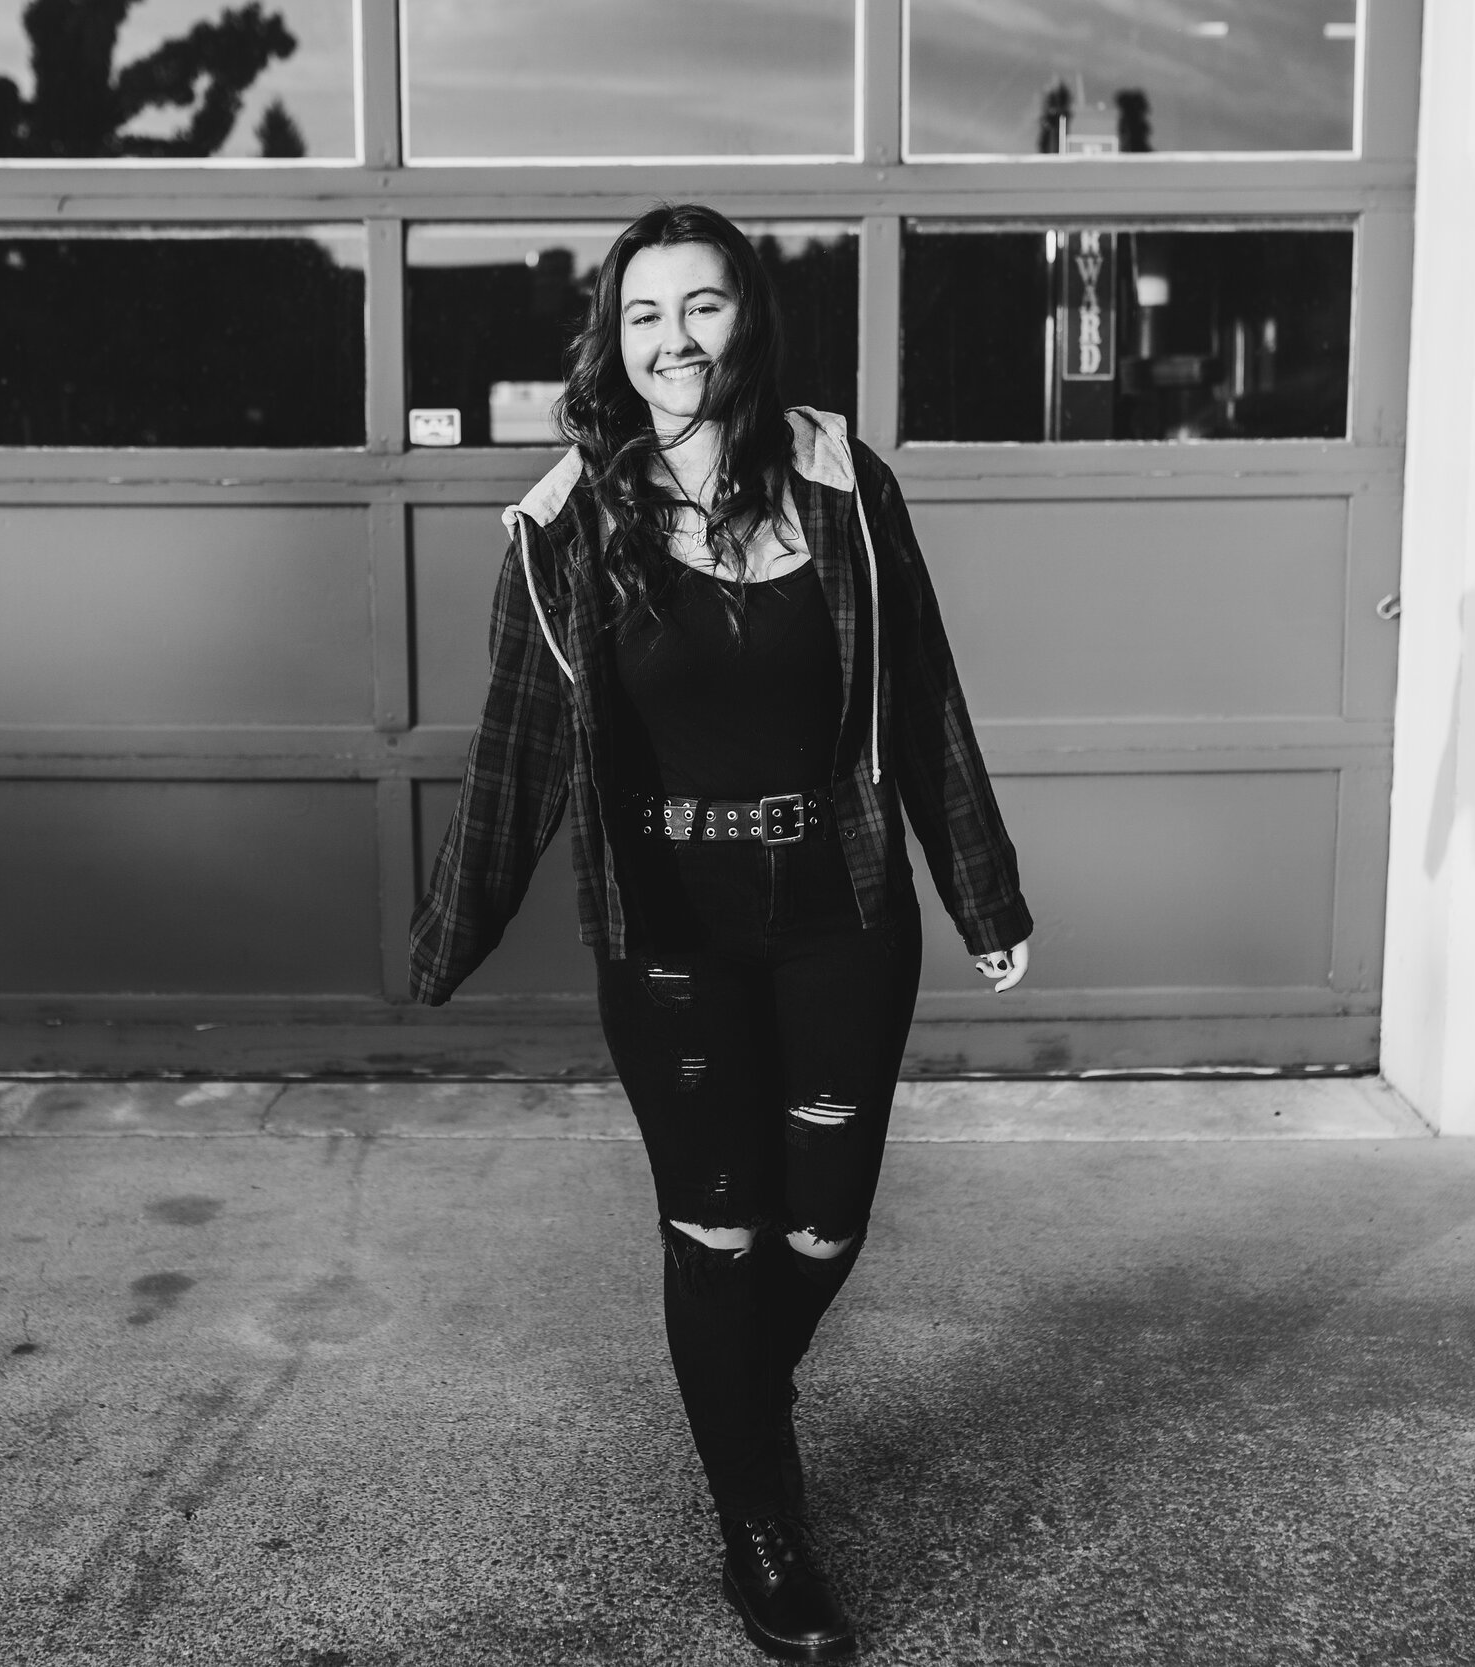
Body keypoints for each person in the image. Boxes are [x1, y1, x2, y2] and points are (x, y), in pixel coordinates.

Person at [410, 203, 1032, 1661]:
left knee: (823, 1223)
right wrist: (451, 933)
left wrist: (982, 892)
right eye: (643, 314)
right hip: (671, 931)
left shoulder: (842, 488)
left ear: (746, 318)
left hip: (842, 914)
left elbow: (923, 700)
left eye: (699, 307)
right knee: (720, 1228)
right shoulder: (570, 521)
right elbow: (515, 753)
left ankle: (742, 1398)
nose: (671, 338)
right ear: (612, 342)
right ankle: (763, 1527)